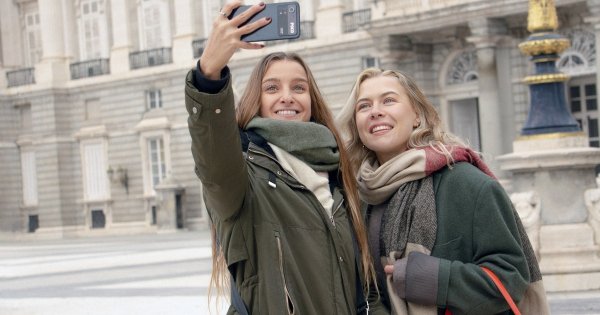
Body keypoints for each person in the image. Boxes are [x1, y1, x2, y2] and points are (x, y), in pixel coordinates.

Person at [184, 2, 387, 314]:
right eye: (272, 87)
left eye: (299, 87)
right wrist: (209, 75)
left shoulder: (338, 171)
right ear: (257, 100)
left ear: (311, 99)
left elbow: (365, 282)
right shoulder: (242, 174)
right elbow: (213, 156)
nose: (287, 96)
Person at [337, 68, 550, 315]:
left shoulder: (467, 184)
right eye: (364, 106)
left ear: (417, 115)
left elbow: (511, 278)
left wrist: (433, 278)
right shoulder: (359, 196)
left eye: (389, 100)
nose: (375, 111)